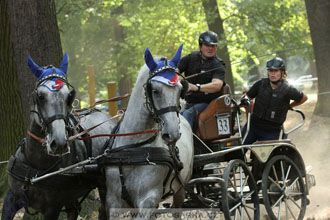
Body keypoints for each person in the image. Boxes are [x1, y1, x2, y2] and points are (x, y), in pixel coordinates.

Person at [242, 57, 308, 144]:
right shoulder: (261, 84)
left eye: (276, 71)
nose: (273, 74)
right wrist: (249, 106)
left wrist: (289, 106)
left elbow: (303, 98)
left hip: (272, 130)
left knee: (263, 157)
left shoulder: (288, 88)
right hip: (253, 126)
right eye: (270, 71)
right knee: (238, 152)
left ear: (282, 72)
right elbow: (247, 97)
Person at [178, 31, 226, 129]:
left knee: (187, 115)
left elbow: (217, 85)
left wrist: (196, 87)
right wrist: (178, 80)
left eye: (213, 46)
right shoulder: (191, 58)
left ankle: (188, 143)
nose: (210, 48)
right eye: (207, 45)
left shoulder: (218, 64)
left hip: (208, 103)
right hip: (187, 101)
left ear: (216, 47)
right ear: (200, 46)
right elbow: (175, 71)